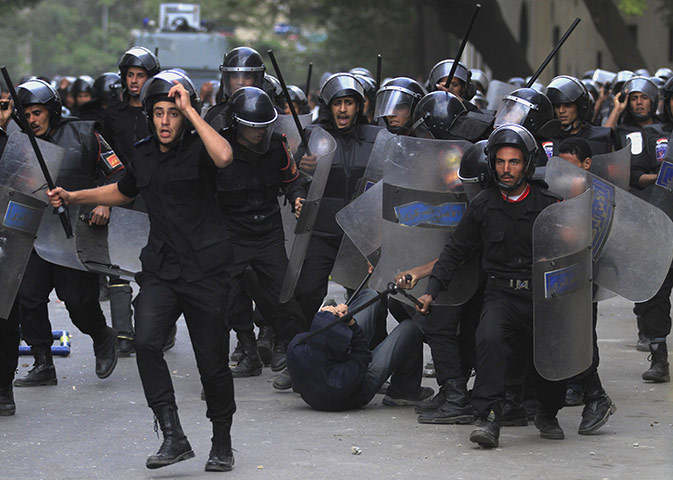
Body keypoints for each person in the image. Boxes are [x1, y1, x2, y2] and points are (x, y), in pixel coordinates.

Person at [47, 70, 237, 472]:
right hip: (162, 268)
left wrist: (192, 110)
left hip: (206, 269)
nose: (165, 121)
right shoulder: (144, 153)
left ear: (185, 116)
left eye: (173, 113)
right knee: (147, 343)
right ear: (149, 116)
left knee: (212, 362)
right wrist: (74, 196)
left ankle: (222, 440)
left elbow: (225, 156)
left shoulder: (201, 148)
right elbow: (124, 190)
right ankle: (173, 435)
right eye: (158, 113)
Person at [417, 124, 567, 448]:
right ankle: (488, 418)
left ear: (527, 164)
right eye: (500, 162)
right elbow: (455, 250)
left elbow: (570, 253)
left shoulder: (549, 204)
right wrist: (432, 290)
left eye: (514, 162)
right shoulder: (483, 204)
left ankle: (548, 411)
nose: (506, 169)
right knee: (489, 340)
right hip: (502, 294)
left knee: (551, 357)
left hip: (541, 296)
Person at [11, 78, 122, 387]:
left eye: (37, 113)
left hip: (74, 235)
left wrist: (104, 202)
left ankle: (102, 335)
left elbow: (118, 173)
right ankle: (43, 362)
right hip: (33, 233)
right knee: (29, 297)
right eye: (26, 115)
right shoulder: (17, 142)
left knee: (77, 300)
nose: (32, 120)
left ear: (52, 110)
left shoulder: (85, 134)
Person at [216, 86, 307, 378]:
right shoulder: (220, 148)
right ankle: (248, 349)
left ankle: (289, 346)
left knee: (283, 293)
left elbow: (293, 180)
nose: (259, 133)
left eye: (263, 127)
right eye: (252, 127)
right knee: (230, 296)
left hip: (268, 232)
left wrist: (297, 198)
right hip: (232, 234)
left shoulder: (278, 145)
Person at [556, 137, 618, 433]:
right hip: (557, 272)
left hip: (584, 273)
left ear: (587, 164)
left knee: (579, 333)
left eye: (570, 166)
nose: (564, 173)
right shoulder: (555, 191)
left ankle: (595, 395)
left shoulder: (599, 196)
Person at [102, 46, 161, 356]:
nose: (135, 81)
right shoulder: (112, 115)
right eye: (130, 75)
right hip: (121, 195)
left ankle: (158, 328)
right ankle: (123, 334)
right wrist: (103, 198)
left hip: (156, 199)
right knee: (117, 267)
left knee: (155, 265)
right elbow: (102, 159)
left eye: (141, 75)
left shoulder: (161, 112)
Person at [286, 289, 432, 411]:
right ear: (342, 348)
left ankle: (333, 325)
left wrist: (324, 316)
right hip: (356, 386)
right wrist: (352, 324)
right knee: (411, 327)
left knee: (370, 295)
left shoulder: (295, 349)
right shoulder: (340, 380)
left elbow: (310, 336)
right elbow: (363, 354)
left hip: (319, 376)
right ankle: (404, 390)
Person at [627, 77, 673, 383]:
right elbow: (634, 174)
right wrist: (659, 178)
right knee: (654, 296)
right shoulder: (652, 134)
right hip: (660, 224)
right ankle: (658, 357)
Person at [544, 75, 616, 161]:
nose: (561, 110)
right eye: (557, 106)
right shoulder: (547, 141)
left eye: (567, 105)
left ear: (579, 107)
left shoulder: (601, 138)